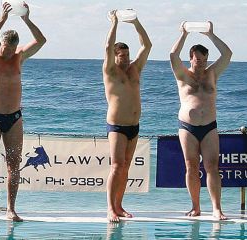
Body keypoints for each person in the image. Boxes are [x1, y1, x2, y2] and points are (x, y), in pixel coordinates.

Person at [0, 2, 46, 222]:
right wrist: (3, 18)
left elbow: (41, 41)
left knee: (14, 163)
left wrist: (27, 19)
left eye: (10, 50)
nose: (6, 54)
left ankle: (11, 209)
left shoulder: (19, 57)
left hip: (14, 118)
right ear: (0, 44)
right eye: (4, 49)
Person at [170, 21, 232, 220]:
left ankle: (216, 208)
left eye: (204, 60)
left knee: (212, 166)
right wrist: (184, 34)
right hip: (187, 127)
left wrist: (211, 35)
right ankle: (195, 206)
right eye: (197, 60)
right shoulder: (183, 75)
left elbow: (228, 54)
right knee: (191, 166)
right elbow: (173, 56)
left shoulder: (212, 73)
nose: (201, 64)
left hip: (209, 127)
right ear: (191, 59)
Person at [103, 10, 152, 223]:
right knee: (116, 166)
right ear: (115, 57)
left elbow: (147, 45)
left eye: (127, 56)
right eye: (121, 56)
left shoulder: (135, 70)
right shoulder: (110, 71)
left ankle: (120, 205)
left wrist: (135, 22)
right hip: (117, 126)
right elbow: (107, 46)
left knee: (126, 168)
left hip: (134, 125)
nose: (125, 60)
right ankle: (110, 208)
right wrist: (114, 23)